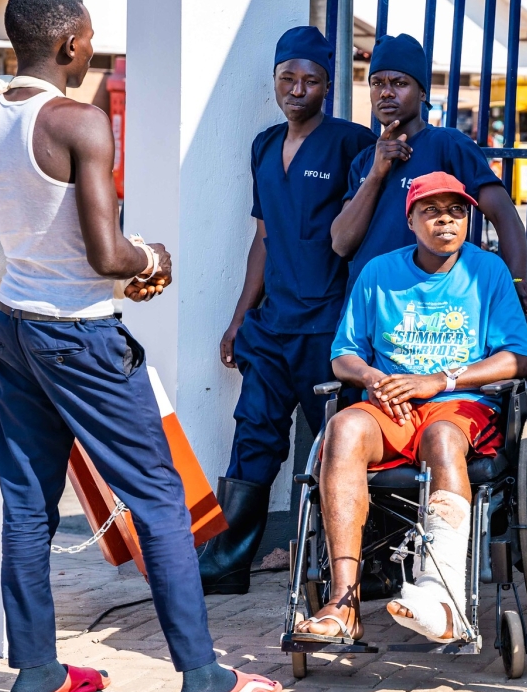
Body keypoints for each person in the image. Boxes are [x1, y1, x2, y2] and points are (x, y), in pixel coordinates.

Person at [0, 1, 280, 692]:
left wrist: (102, 268)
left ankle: (39, 672)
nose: (92, 54)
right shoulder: (78, 122)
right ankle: (205, 676)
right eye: (92, 43)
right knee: (160, 500)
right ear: (71, 43)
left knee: (27, 502)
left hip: (13, 324)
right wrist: (153, 257)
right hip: (79, 335)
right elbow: (108, 254)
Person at [298, 172, 527, 643]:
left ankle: (440, 597)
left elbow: (516, 358)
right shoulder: (379, 273)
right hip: (393, 405)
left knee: (441, 439)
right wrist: (373, 378)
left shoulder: (488, 272)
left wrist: (439, 380)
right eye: (432, 211)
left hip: (459, 404)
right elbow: (344, 353)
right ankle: (343, 603)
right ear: (410, 220)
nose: (445, 220)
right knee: (342, 430)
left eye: (457, 211)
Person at [196, 27, 377, 596]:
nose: (297, 89)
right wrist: (238, 318)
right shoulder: (263, 144)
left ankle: (353, 566)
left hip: (326, 328)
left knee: (339, 445)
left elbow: (359, 232)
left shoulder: (352, 143)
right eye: (287, 78)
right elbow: (264, 239)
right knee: (253, 435)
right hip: (271, 328)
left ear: (328, 84)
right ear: (274, 80)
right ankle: (228, 561)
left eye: (311, 80)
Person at [330, 33, 527, 316]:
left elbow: (504, 214)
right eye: (377, 83)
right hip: (370, 310)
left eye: (400, 83)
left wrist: (516, 279)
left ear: (422, 93)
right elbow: (342, 243)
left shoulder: (448, 145)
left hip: (432, 315)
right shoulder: (364, 161)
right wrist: (376, 173)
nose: (386, 92)